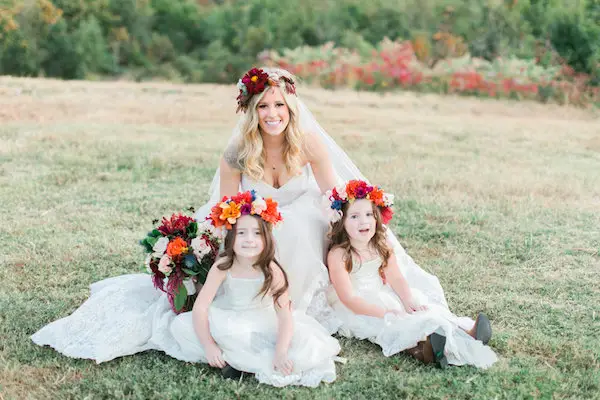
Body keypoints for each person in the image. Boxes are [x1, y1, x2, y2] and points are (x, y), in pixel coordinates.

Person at [194, 67, 456, 334]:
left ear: (291, 108)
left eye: (279, 105)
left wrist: (359, 224)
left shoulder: (307, 143)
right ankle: (268, 303)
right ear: (251, 111)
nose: (272, 114)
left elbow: (334, 194)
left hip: (303, 212)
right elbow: (227, 211)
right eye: (263, 106)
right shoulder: (237, 152)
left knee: (301, 225)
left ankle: (306, 302)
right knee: (274, 232)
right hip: (256, 223)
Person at [169, 191, 340, 387]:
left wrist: (281, 351)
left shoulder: (272, 270)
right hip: (230, 316)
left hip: (264, 321)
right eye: (241, 233)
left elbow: (284, 315)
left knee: (299, 345)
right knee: (182, 326)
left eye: (257, 233)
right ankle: (229, 357)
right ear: (231, 238)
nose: (249, 239)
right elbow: (201, 307)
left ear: (266, 238)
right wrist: (208, 345)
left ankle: (240, 360)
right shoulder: (222, 267)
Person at [325, 180, 497, 368]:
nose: (364, 221)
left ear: (376, 218)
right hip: (357, 305)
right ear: (341, 221)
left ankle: (465, 331)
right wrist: (383, 313)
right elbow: (349, 298)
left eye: (368, 214)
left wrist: (407, 300)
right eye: (355, 216)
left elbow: (396, 277)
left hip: (382, 293)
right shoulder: (339, 255)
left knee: (421, 309)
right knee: (392, 325)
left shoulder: (381, 246)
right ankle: (425, 349)